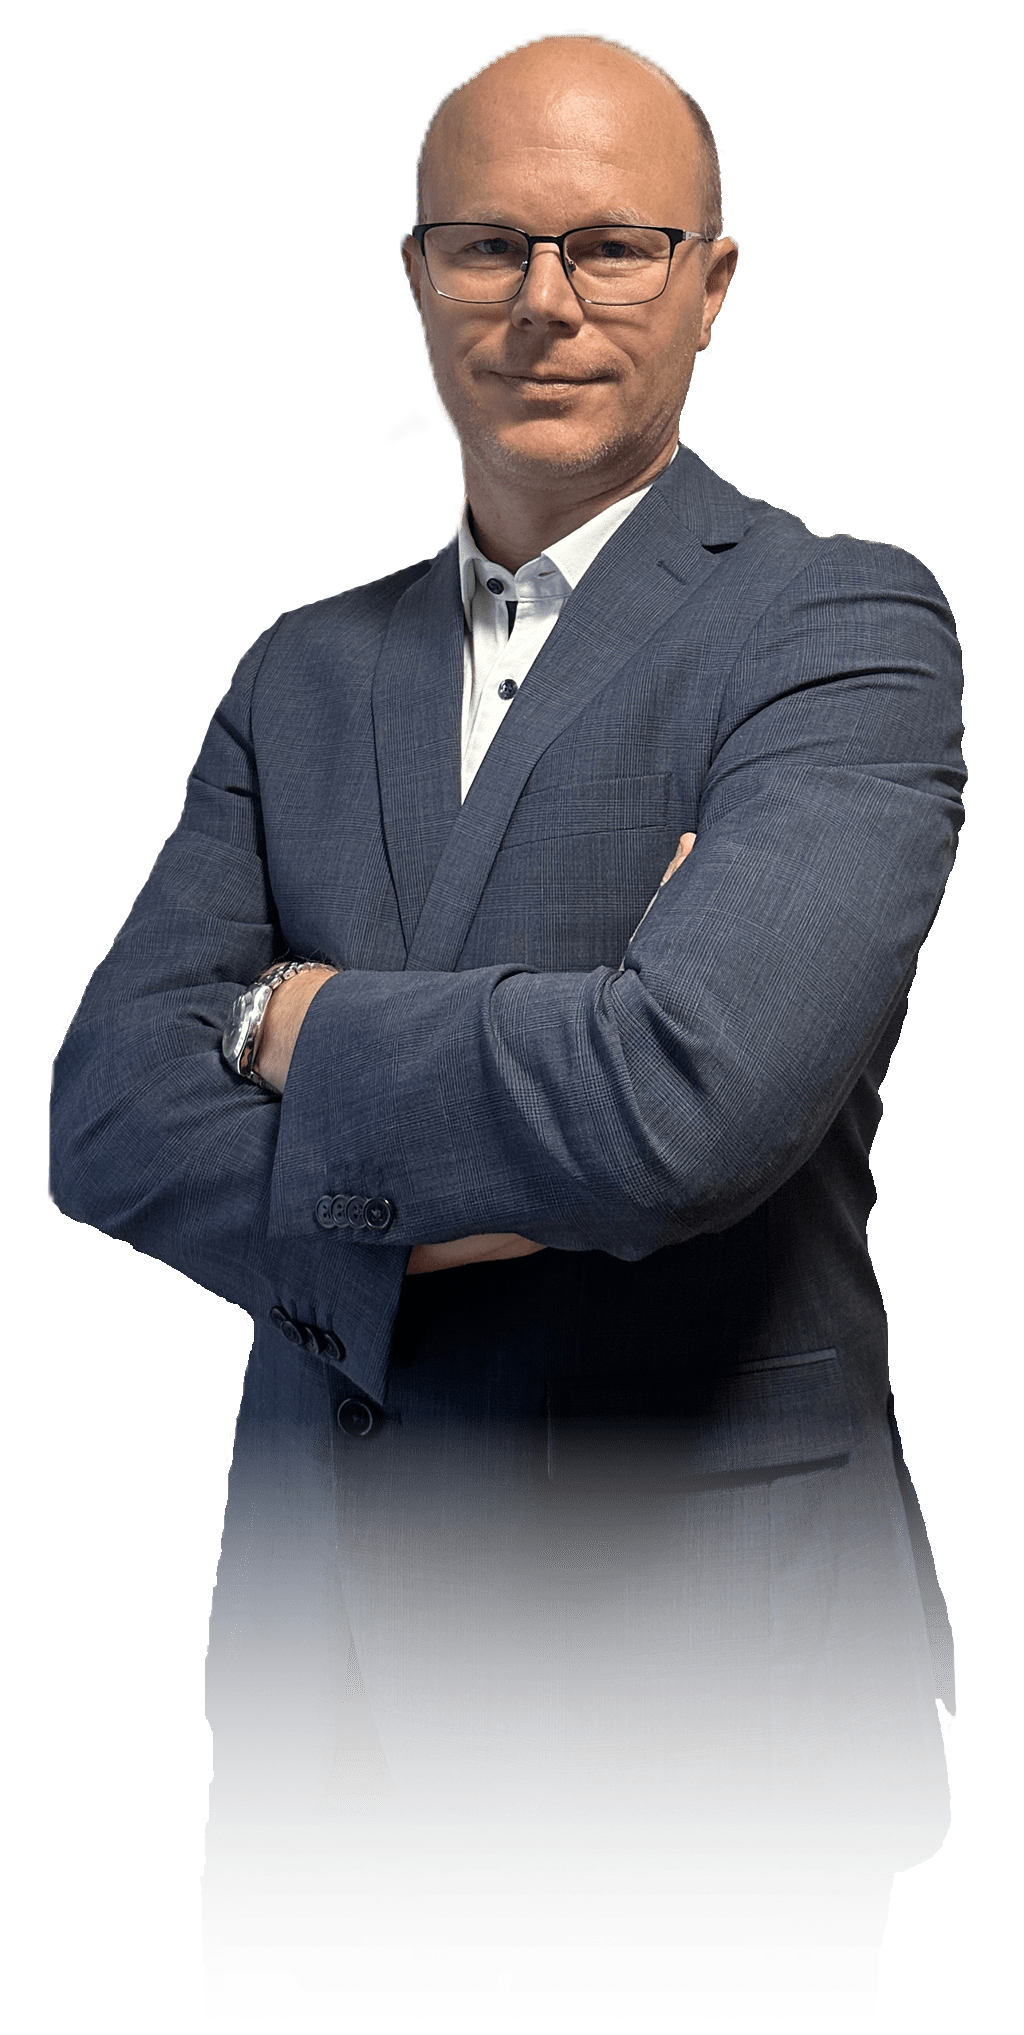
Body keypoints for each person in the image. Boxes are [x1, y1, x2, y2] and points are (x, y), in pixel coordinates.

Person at [48, 29, 963, 2022]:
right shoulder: (294, 673)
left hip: (700, 1703)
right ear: (416, 276)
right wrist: (538, 1100)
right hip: (315, 1707)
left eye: (612, 245)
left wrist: (284, 1022)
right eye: (488, 245)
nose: (545, 300)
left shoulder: (837, 633)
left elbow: (677, 1108)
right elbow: (105, 1117)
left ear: (710, 283)